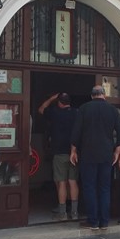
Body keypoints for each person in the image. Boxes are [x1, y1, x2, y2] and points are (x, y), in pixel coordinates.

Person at [70, 85, 120, 230]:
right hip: (106, 154)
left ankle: (93, 221)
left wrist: (73, 151)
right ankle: (105, 221)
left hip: (88, 154)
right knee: (105, 188)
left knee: (89, 187)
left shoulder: (83, 109)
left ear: (92, 95)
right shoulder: (112, 110)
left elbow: (76, 132)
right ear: (104, 95)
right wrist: (116, 153)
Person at [38, 92, 79, 221]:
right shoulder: (77, 113)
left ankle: (62, 212)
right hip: (74, 152)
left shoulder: (54, 113)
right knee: (73, 182)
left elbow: (41, 109)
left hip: (59, 153)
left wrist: (51, 98)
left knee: (61, 182)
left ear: (59, 102)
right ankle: (75, 212)